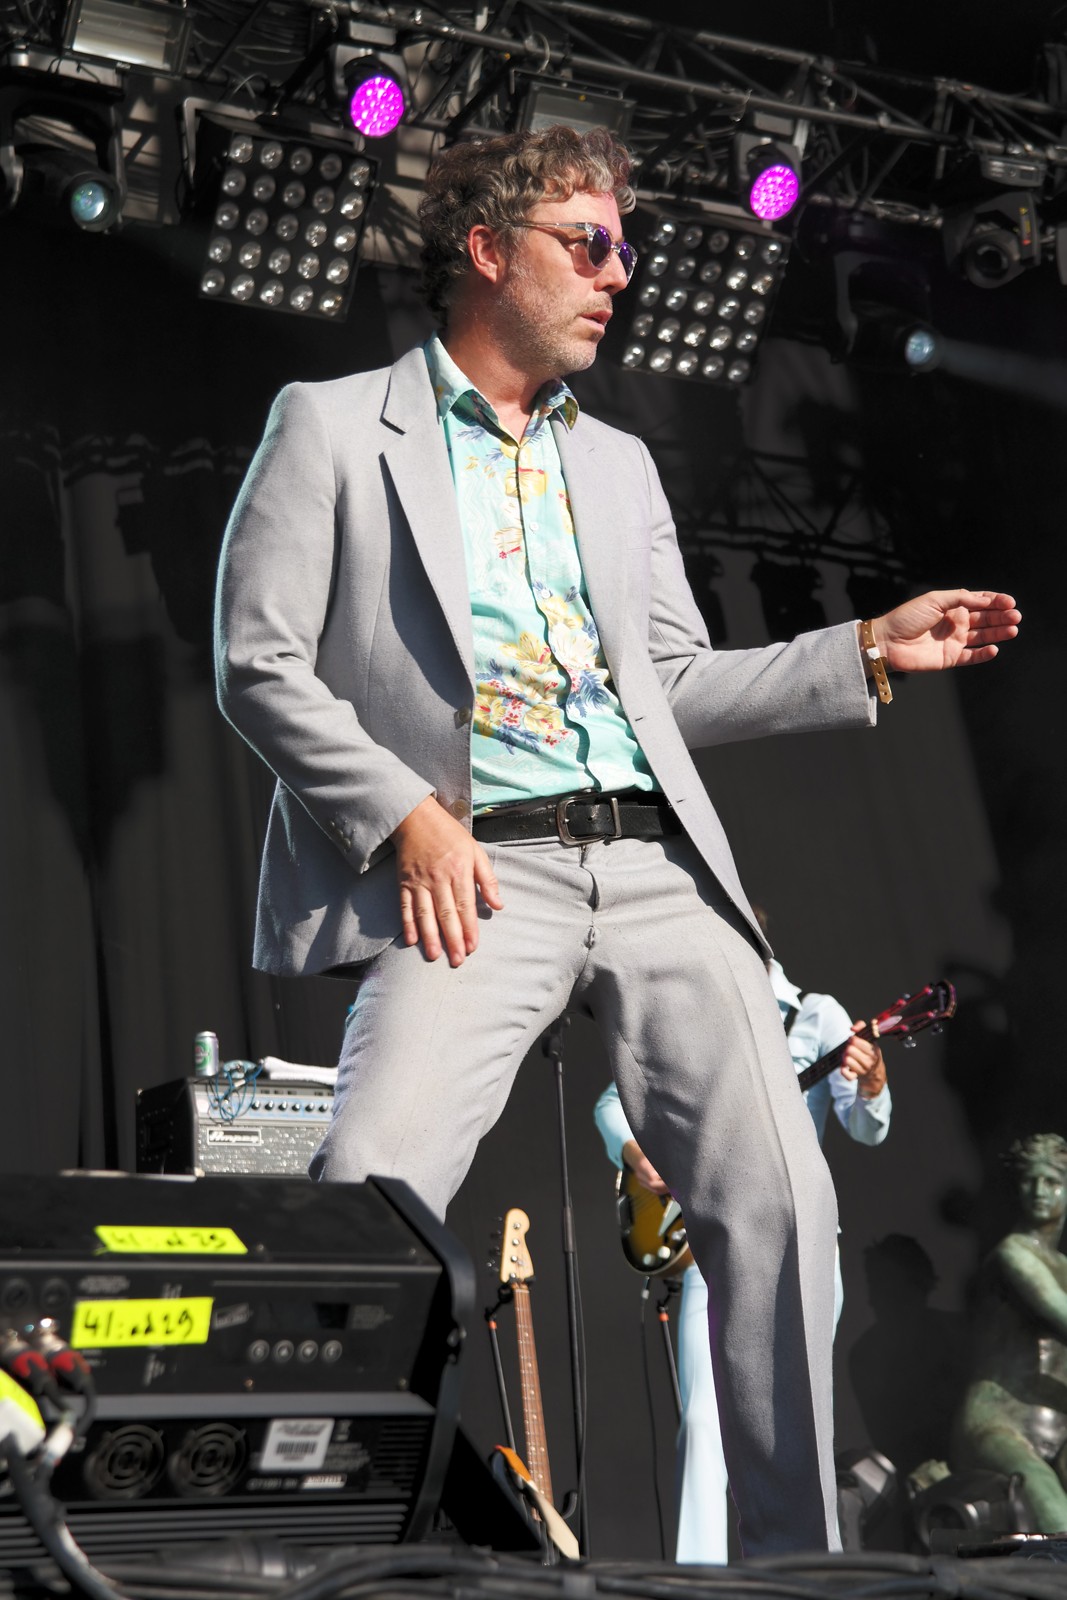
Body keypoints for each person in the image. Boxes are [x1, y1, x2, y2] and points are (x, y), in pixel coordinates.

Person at [213, 123, 1020, 1557]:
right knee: (371, 1189)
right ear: (485, 249)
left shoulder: (622, 466)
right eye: (587, 244)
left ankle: (793, 1571)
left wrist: (860, 649)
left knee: (781, 1201)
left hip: (654, 867)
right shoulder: (331, 426)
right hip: (477, 868)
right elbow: (258, 664)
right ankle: (309, 1537)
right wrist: (403, 816)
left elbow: (674, 685)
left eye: (625, 248)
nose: (619, 274)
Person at [595, 943, 891, 1562]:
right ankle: (700, 1582)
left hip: (800, 1244)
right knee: (705, 1423)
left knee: (800, 1425)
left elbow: (866, 1128)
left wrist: (871, 1085)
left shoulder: (816, 1015)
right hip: (711, 1238)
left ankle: (806, 1575)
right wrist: (637, 1151)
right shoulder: (691, 1011)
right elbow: (613, 1101)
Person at [951, 1133, 1067, 1533]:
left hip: (1057, 1427)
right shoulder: (1014, 1253)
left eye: (1052, 1181)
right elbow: (1061, 1313)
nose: (1039, 1191)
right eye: (1029, 1180)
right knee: (1058, 1520)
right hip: (1001, 1425)